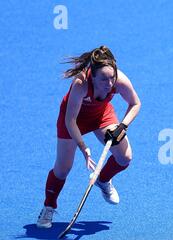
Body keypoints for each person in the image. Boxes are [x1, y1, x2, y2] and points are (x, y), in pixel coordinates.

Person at [37, 46, 141, 228]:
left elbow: (135, 103)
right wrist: (83, 147)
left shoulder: (119, 80)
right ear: (92, 75)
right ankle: (48, 207)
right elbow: (70, 120)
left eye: (112, 77)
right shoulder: (80, 84)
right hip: (73, 119)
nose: (109, 83)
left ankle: (103, 179)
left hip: (101, 116)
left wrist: (122, 127)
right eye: (103, 79)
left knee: (124, 157)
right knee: (63, 169)